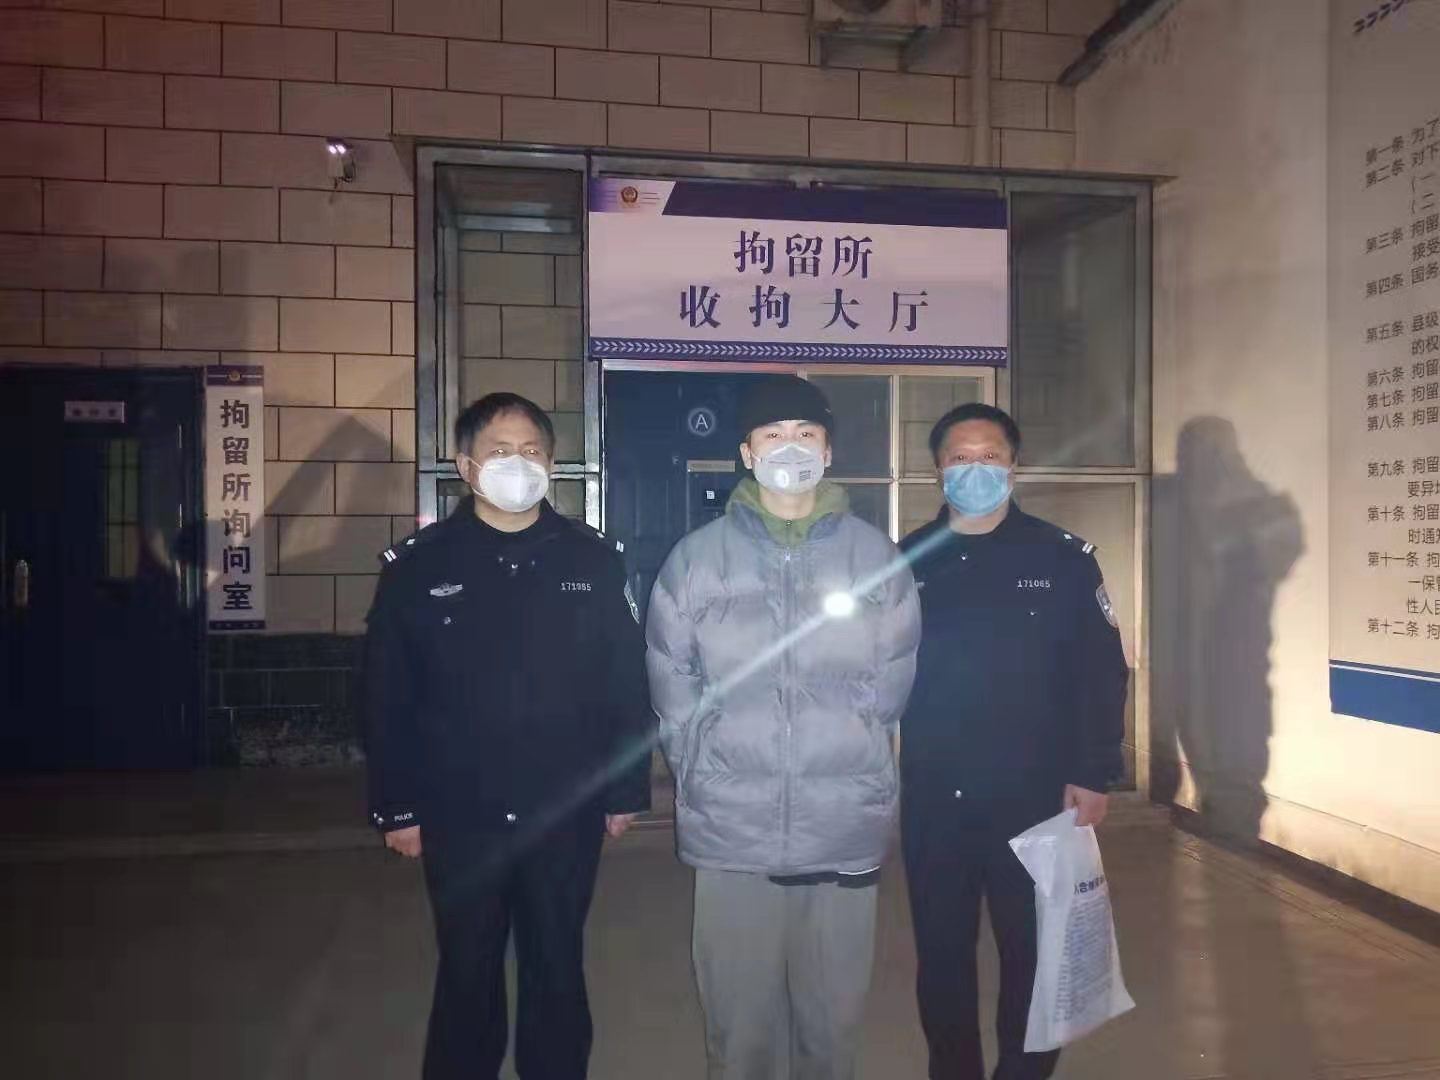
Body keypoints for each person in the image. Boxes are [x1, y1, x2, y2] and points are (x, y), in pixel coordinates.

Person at [362, 392, 655, 1080]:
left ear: (551, 463)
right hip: (460, 810)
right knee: (466, 968)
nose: (516, 464)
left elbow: (624, 682)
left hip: (565, 807)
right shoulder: (418, 566)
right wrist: (397, 806)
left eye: (531, 451)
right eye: (499, 451)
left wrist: (625, 789)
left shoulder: (592, 560)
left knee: (557, 963)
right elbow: (386, 695)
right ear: (465, 465)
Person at [646, 375, 921, 1080]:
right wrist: (703, 768)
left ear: (828, 452)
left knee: (833, 1022)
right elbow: (672, 687)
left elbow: (891, 684)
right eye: (772, 434)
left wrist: (853, 752)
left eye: (806, 434)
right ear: (746, 452)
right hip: (733, 826)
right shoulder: (696, 560)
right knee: (739, 1026)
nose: (789, 447)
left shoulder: (876, 558)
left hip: (842, 821)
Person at [899, 403, 1129, 1080]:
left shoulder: (1061, 558)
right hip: (935, 794)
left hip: (1037, 793)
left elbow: (1101, 672)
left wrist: (1093, 771)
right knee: (942, 954)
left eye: (990, 456)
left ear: (1014, 466)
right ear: (938, 469)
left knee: (1034, 950)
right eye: (960, 457)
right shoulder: (905, 561)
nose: (975, 469)